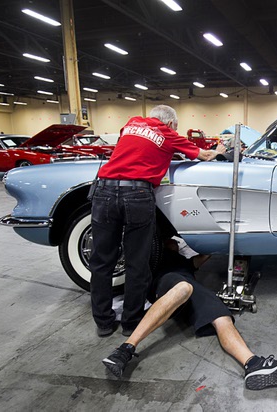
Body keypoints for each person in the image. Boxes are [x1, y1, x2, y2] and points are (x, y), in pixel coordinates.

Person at [89, 105, 226, 338]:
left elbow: (136, 147)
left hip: (103, 191)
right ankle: (131, 324)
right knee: (137, 263)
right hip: (137, 195)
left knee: (101, 262)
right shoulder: (169, 134)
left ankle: (103, 323)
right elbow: (205, 156)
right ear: (171, 124)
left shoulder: (131, 123)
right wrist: (220, 148)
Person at [102, 237, 277, 390]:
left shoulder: (185, 261)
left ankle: (253, 364)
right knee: (183, 288)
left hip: (195, 290)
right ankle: (124, 350)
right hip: (167, 285)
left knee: (222, 318)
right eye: (170, 239)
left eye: (176, 240)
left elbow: (206, 253)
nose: (173, 242)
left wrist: (216, 237)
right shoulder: (155, 257)